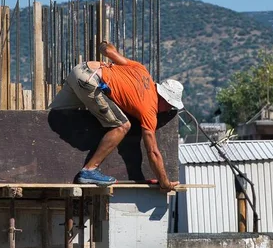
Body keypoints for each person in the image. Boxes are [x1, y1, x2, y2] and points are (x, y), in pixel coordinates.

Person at [49, 40, 184, 191]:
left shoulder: (141, 70)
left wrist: (104, 45)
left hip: (81, 70)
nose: (168, 110)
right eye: (170, 105)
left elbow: (108, 52)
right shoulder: (149, 110)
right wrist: (164, 181)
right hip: (90, 82)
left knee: (52, 116)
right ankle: (89, 171)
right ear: (164, 99)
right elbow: (152, 151)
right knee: (122, 125)